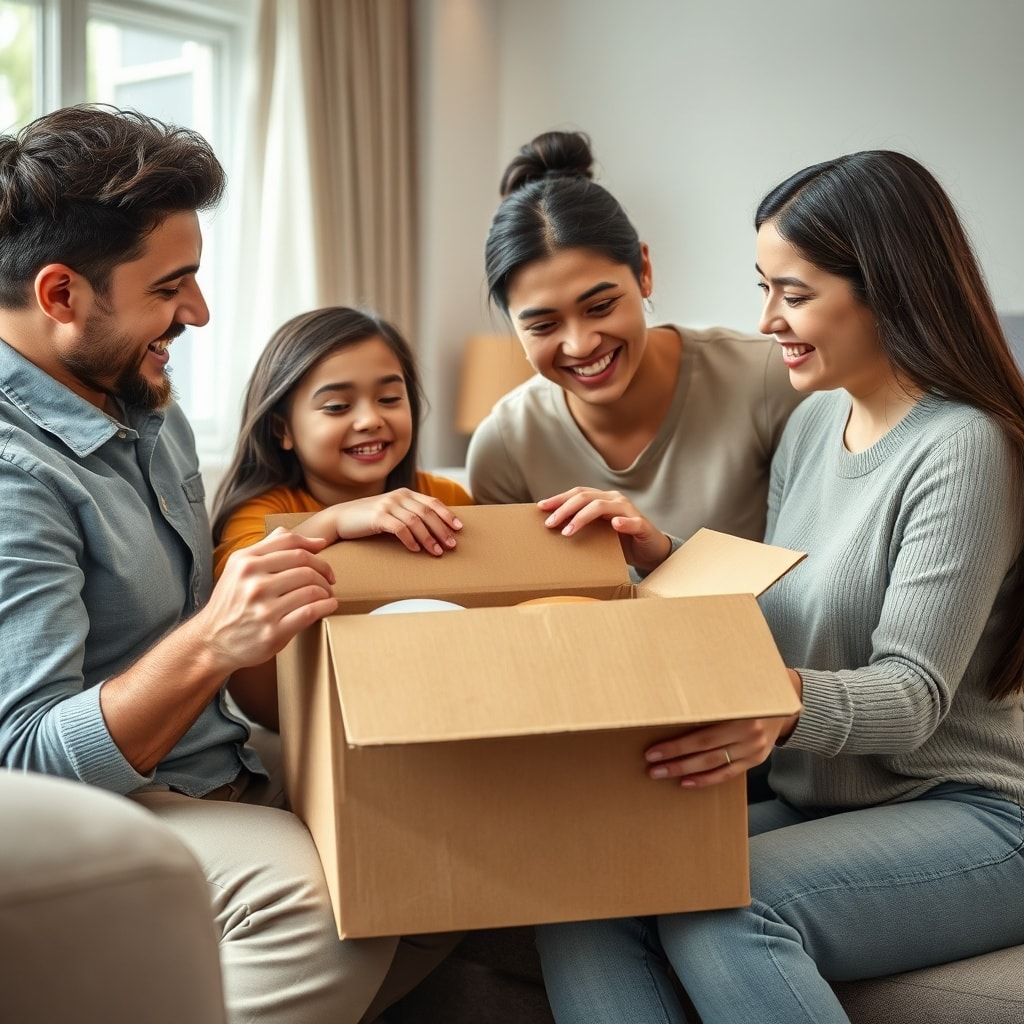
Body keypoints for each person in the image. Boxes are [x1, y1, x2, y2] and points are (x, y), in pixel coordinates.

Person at [534, 151, 1024, 1024]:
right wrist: (660, 553)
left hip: (975, 810)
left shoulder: (964, 446)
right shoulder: (810, 425)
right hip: (827, 797)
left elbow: (910, 696)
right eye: (763, 289)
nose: (767, 320)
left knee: (732, 906)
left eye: (793, 295)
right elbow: (788, 613)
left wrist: (782, 704)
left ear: (888, 288)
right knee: (583, 887)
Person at [0, 105, 451, 1024]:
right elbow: (30, 766)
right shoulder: (16, 476)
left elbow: (224, 656)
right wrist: (211, 642)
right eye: (173, 287)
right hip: (102, 806)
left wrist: (316, 539)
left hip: (215, 768)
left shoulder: (139, 405)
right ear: (61, 296)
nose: (198, 313)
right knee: (322, 907)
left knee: (459, 851)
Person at [468, 130, 803, 566]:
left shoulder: (768, 380)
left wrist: (660, 555)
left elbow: (807, 582)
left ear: (644, 270)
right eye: (544, 324)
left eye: (601, 306)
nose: (581, 344)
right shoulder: (505, 447)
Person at [211, 306, 472, 729]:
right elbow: (243, 589)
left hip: (437, 702)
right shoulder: (262, 513)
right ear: (284, 430)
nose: (370, 420)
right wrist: (333, 521)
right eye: (336, 406)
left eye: (390, 399)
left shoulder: (445, 498)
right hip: (312, 720)